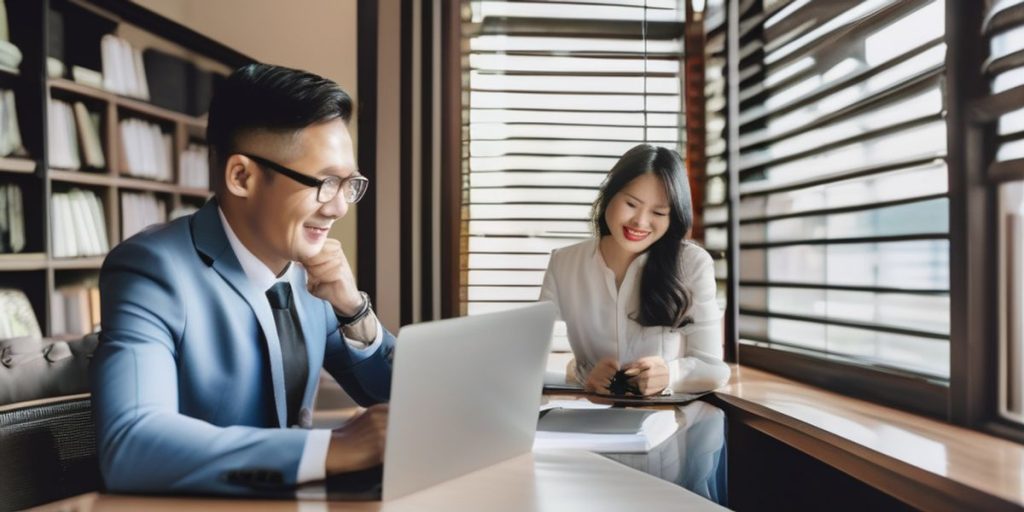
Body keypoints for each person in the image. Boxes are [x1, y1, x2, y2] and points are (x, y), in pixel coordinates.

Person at [91, 64, 392, 495]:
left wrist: (354, 310)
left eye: (348, 184)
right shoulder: (151, 269)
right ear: (242, 176)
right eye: (325, 182)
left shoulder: (311, 271)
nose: (340, 207)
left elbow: (393, 395)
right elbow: (132, 444)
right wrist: (333, 448)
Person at [539, 144, 730, 396]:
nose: (640, 222)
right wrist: (584, 374)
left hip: (669, 421)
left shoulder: (692, 263)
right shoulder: (564, 263)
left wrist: (671, 375)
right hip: (594, 414)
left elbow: (715, 369)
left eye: (658, 212)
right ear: (609, 195)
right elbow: (528, 357)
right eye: (631, 204)